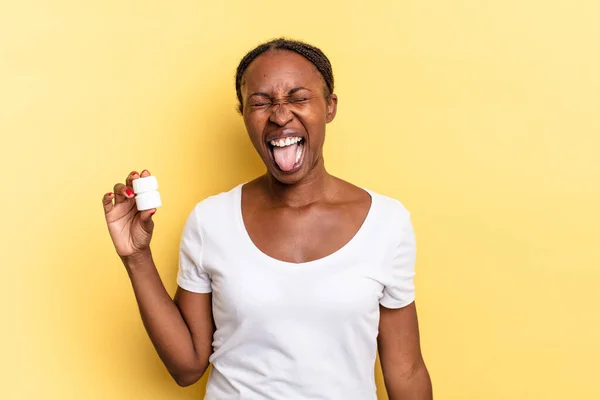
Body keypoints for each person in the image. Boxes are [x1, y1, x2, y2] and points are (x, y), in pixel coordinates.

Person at [102, 38, 432, 400]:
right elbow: (187, 367)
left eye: (298, 97)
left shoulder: (386, 223)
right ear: (243, 113)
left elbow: (406, 370)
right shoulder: (210, 221)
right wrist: (137, 258)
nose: (279, 115)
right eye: (260, 103)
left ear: (330, 107)